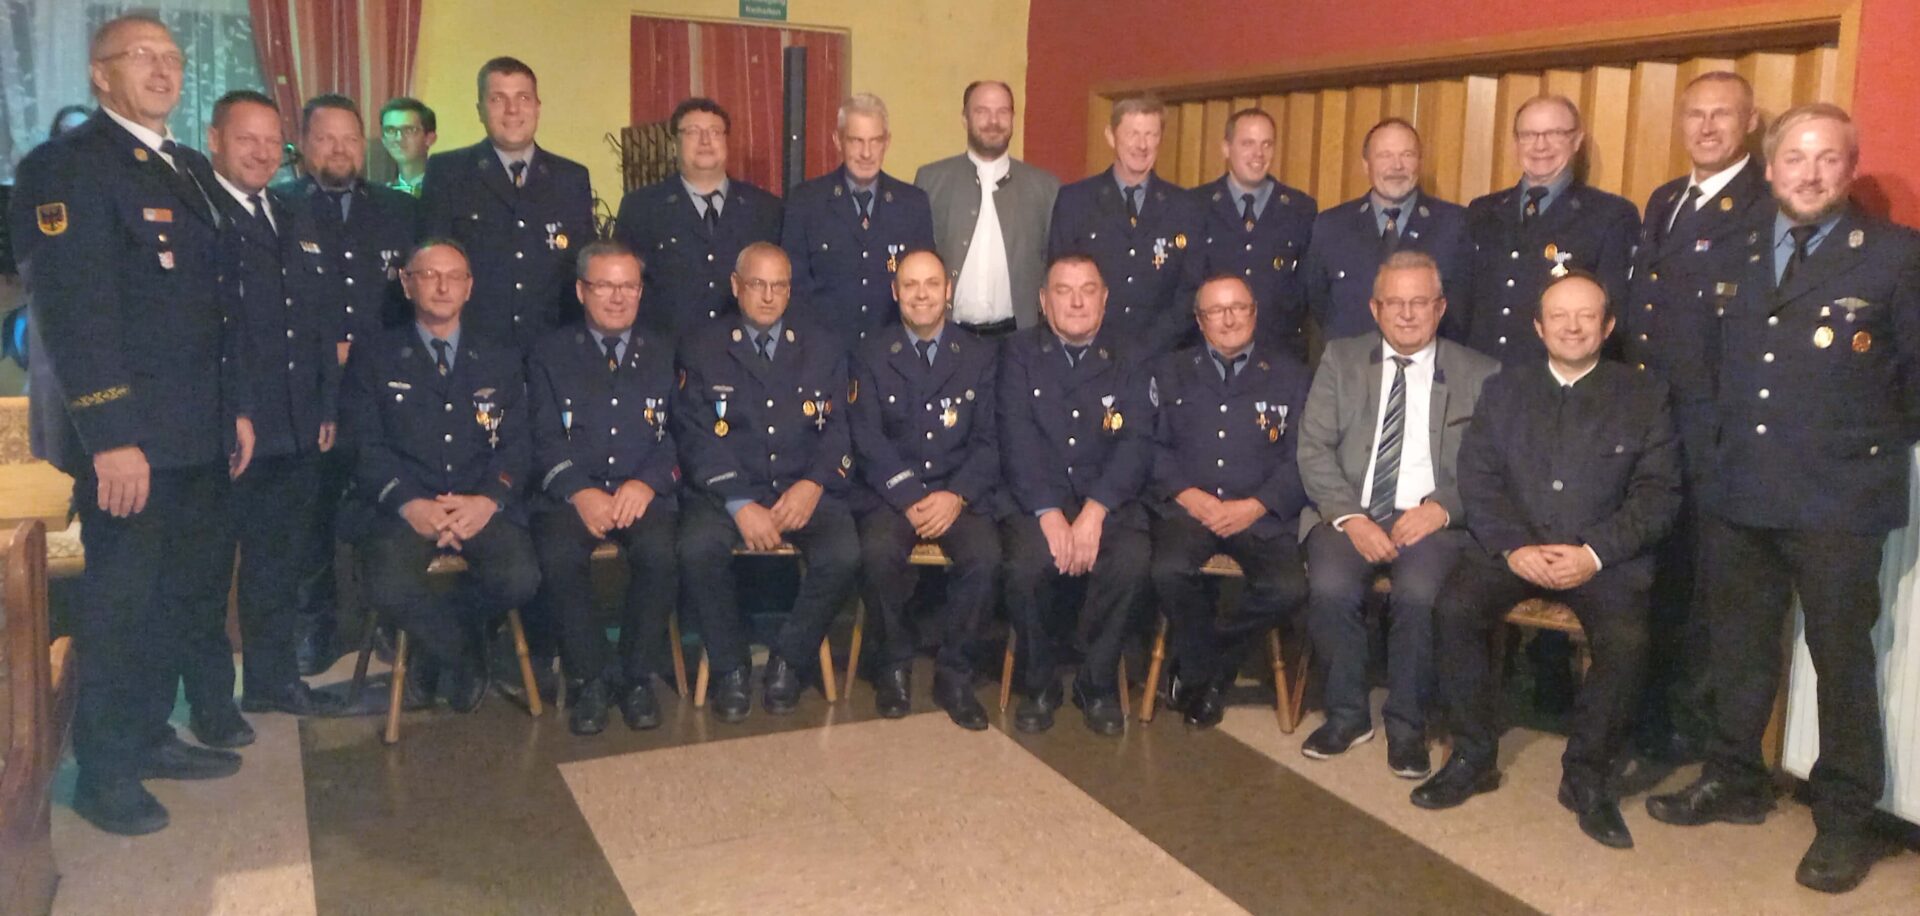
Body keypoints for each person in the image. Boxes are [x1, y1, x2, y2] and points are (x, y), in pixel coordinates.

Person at [1647, 102, 1920, 894]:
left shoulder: (1895, 257)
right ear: (1770, 169)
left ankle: (1844, 818)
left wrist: (1851, 440)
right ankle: (1734, 778)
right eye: (1794, 158)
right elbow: (1707, 368)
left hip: (1839, 497)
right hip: (1742, 487)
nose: (1809, 173)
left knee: (1840, 661)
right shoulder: (1734, 249)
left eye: (1827, 159)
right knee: (1738, 649)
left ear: (1849, 167)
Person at [9, 13, 254, 836]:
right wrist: (112, 439)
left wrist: (236, 412)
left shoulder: (183, 166)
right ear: (99, 74)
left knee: (180, 600)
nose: (162, 69)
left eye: (173, 57)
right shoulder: (66, 167)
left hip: (197, 436)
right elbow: (78, 314)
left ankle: (150, 734)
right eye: (141, 56)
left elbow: (210, 306)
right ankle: (103, 772)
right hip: (133, 444)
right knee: (120, 605)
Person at [1413, 271, 1680, 851]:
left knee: (1629, 639)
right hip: (1516, 548)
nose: (1573, 326)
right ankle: (1473, 756)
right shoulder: (1504, 389)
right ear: (1538, 327)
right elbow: (1478, 479)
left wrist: (1594, 553)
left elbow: (1659, 495)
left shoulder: (1643, 394)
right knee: (1454, 608)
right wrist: (1514, 548)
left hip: (1602, 557)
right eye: (1559, 316)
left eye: (1586, 316)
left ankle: (1586, 777)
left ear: (1608, 326)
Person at [1296, 251, 1498, 777]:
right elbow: (1313, 448)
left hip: (1432, 519)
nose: (1407, 314)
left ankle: (1406, 727)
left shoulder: (1480, 372)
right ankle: (1345, 715)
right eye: (1395, 303)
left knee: (1418, 595)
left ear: (1440, 307)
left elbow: (1490, 465)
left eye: (1419, 303)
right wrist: (1350, 517)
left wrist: (1443, 508)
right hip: (1352, 511)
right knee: (1332, 587)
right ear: (1374, 308)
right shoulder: (1340, 359)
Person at [1620, 71, 1768, 762]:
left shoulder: (1765, 203)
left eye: (1722, 115)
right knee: (1662, 573)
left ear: (1751, 122)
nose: (1707, 128)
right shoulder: (1666, 198)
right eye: (1696, 116)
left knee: (1709, 585)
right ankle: (1650, 715)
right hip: (1655, 417)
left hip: (1714, 427)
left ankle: (1696, 735)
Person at [199, 89, 351, 731]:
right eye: (246, 139)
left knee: (276, 564)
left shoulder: (289, 216)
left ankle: (271, 680)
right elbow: (206, 332)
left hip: (293, 426)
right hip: (233, 429)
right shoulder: (201, 215)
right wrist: (233, 410)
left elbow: (315, 322)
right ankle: (210, 705)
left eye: (272, 142)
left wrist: (324, 405)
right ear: (214, 141)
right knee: (210, 576)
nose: (262, 153)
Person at [338, 239, 540, 714]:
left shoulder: (500, 356)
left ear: (469, 287)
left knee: (521, 579)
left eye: (454, 276)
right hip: (404, 504)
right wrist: (411, 504)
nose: (442, 285)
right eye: (429, 275)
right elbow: (362, 443)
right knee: (385, 585)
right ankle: (462, 656)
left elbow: (518, 443)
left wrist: (488, 500)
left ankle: (437, 651)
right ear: (407, 284)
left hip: (479, 502)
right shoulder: (376, 354)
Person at [673, 242, 858, 723]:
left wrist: (813, 485)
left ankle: (789, 661)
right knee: (695, 549)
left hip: (802, 487)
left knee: (844, 553)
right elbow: (693, 434)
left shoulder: (822, 344)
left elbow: (840, 427)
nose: (769, 296)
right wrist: (738, 501)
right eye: (757, 284)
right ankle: (731, 666)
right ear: (736, 287)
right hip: (728, 493)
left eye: (779, 286)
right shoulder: (702, 346)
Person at [276, 92, 421, 675]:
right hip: (305, 391)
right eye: (325, 138)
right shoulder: (279, 206)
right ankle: (315, 626)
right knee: (309, 516)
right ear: (305, 145)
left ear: (364, 146)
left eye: (349, 139)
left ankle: (386, 620)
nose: (338, 149)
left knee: (385, 506)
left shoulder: (400, 209)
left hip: (384, 393)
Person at [525, 240, 680, 736]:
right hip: (574, 493)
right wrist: (578, 490)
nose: (617, 297)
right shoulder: (549, 352)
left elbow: (684, 430)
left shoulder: (664, 349)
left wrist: (647, 482)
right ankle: (589, 677)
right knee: (558, 558)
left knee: (661, 552)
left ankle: (636, 677)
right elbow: (540, 433)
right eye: (604, 286)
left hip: (643, 490)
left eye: (628, 286)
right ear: (580, 290)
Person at [998, 253, 1154, 736]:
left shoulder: (1130, 356)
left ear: (1105, 300)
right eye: (1064, 291)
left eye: (1088, 289)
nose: (1077, 300)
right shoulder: (1018, 353)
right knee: (1026, 566)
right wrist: (1048, 514)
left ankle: (1097, 682)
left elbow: (1136, 443)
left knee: (1130, 561)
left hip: (1106, 501)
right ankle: (1040, 683)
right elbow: (1015, 438)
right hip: (1035, 498)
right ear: (1044, 302)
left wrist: (1094, 513)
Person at [1146, 274, 1312, 728]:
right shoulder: (1169, 370)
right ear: (1200, 321)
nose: (1229, 318)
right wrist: (1187, 495)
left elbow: (1304, 456)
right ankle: (1210, 672)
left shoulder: (1292, 375)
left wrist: (1257, 504)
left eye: (1238, 307)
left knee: (1289, 589)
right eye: (1216, 311)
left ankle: (1204, 666)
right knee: (1167, 570)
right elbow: (1150, 446)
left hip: (1260, 514)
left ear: (1254, 313)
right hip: (1189, 509)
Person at [847, 248, 1000, 729]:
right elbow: (866, 436)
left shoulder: (979, 355)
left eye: (931, 284)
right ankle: (892, 664)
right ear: (895, 293)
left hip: (958, 491)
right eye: (910, 285)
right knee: (874, 552)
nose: (921, 295)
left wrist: (956, 496)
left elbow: (993, 440)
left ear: (948, 289)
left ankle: (955, 672)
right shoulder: (871, 353)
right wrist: (910, 494)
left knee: (987, 557)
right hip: (893, 492)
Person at [420, 56, 594, 350]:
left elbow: (584, 268)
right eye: (498, 99)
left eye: (523, 98)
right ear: (480, 110)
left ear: (538, 107)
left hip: (553, 350)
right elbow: (429, 267)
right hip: (473, 349)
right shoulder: (448, 172)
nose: (513, 110)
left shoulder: (571, 178)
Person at [1462, 95, 1637, 366]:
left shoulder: (1609, 215)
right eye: (1529, 135)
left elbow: (1614, 314)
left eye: (1554, 134)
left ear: (1576, 140)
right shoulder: (1482, 211)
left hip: (1554, 384)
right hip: (1478, 378)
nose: (1540, 145)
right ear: (1515, 142)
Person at [615, 97, 783, 339]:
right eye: (693, 132)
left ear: (727, 141)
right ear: (675, 144)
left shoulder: (765, 209)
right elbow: (624, 288)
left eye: (715, 132)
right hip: (667, 357)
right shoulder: (641, 208)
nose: (705, 140)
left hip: (743, 356)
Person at [1048, 96, 1202, 355]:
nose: (1142, 145)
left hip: (1164, 355)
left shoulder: (1184, 206)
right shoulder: (1076, 200)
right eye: (1132, 134)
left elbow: (1191, 289)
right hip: (1090, 354)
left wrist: (1149, 345)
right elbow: (1058, 279)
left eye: (1151, 135)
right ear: (1111, 136)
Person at [781, 93, 935, 345]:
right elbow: (794, 287)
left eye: (875, 141)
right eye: (856, 141)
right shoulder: (806, 202)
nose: (866, 153)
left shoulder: (912, 203)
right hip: (823, 354)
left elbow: (923, 286)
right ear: (837, 141)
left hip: (891, 354)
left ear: (887, 142)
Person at [1304, 118, 1473, 344]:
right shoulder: (1331, 226)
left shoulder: (1456, 224)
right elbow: (1319, 304)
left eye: (1407, 155)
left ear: (1419, 162)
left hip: (1431, 371)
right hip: (1353, 371)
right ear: (1366, 165)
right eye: (1385, 156)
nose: (1397, 166)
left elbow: (1464, 308)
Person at [915, 80, 1060, 338]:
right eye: (982, 111)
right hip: (947, 334)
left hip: (1018, 339)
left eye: (1003, 112)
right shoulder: (931, 181)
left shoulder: (1045, 187)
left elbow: (1054, 266)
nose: (993, 121)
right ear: (964, 118)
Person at [1186, 109, 1316, 357]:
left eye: (1267, 144)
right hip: (1206, 355)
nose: (1259, 154)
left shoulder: (1300, 209)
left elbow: (1307, 290)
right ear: (1226, 148)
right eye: (1248, 144)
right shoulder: (1194, 205)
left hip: (1278, 354)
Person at [379, 96, 437, 197]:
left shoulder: (448, 191)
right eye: (390, 130)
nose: (398, 138)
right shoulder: (379, 196)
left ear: (429, 139)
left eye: (409, 130)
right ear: (384, 140)